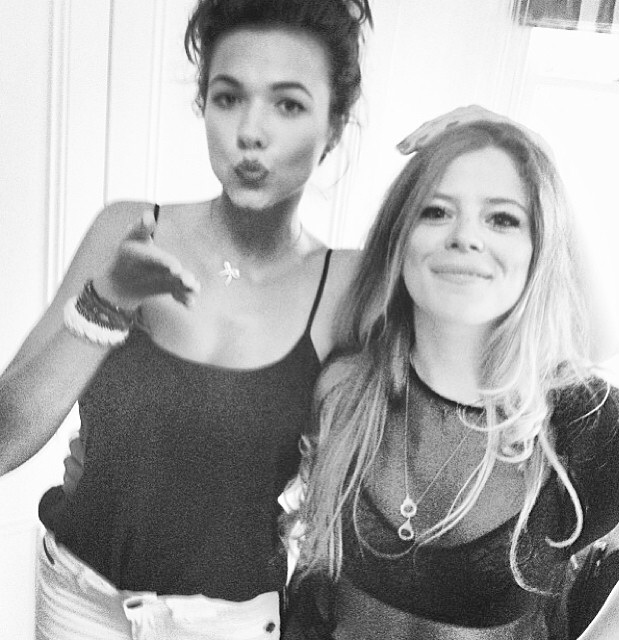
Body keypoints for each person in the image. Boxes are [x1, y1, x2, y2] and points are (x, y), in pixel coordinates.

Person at [0, 1, 373, 638]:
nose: (250, 131)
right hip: (79, 601)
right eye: (228, 98)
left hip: (228, 623)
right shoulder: (130, 230)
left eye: (288, 105)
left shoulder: (348, 285)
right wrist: (107, 301)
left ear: (335, 125)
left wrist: (476, 150)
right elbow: (6, 438)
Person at [282, 120, 619, 640]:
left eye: (502, 219)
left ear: (539, 248)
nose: (465, 236)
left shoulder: (590, 423)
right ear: (399, 237)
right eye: (436, 211)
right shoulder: (342, 388)